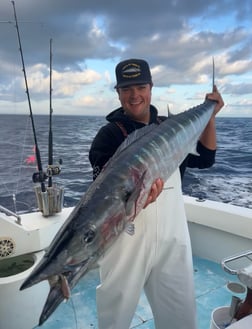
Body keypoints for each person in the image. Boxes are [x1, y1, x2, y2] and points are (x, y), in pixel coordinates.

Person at [89, 58, 224, 329]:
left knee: (181, 317)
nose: (134, 95)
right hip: (127, 241)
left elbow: (206, 158)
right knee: (114, 319)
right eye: (126, 89)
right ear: (118, 93)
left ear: (151, 88)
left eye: (140, 86)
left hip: (173, 241)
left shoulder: (172, 127)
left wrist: (211, 115)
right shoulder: (109, 135)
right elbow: (108, 193)